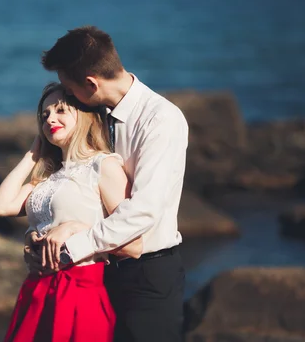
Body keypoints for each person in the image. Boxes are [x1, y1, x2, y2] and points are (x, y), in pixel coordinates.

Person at [28, 25, 189, 342]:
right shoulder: (95, 114)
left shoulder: (160, 120)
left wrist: (69, 248)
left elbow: (143, 211)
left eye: (68, 87)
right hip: (102, 274)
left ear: (90, 83)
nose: (68, 95)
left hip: (147, 276)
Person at [0, 82, 142, 342]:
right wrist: (32, 154)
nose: (51, 119)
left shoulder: (103, 166)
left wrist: (74, 228)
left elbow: (133, 243)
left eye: (60, 110)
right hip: (37, 290)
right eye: (45, 114)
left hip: (80, 290)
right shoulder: (45, 179)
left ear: (83, 115)